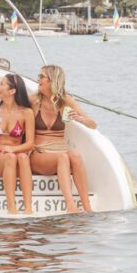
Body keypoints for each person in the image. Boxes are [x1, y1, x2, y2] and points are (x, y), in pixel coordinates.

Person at [30, 65, 95, 214]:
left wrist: (79, 119)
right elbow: (17, 114)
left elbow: (93, 124)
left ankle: (87, 207)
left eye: (41, 77)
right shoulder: (33, 101)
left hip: (59, 150)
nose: (38, 80)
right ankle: (71, 206)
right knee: (63, 158)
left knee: (75, 156)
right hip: (39, 154)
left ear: (52, 80)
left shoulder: (65, 100)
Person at [0, 73, 35, 214]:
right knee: (12, 157)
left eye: (2, 84)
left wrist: (12, 149)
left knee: (22, 157)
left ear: (12, 91)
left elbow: (30, 144)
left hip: (13, 158)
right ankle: (12, 208)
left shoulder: (26, 113)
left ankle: (28, 208)